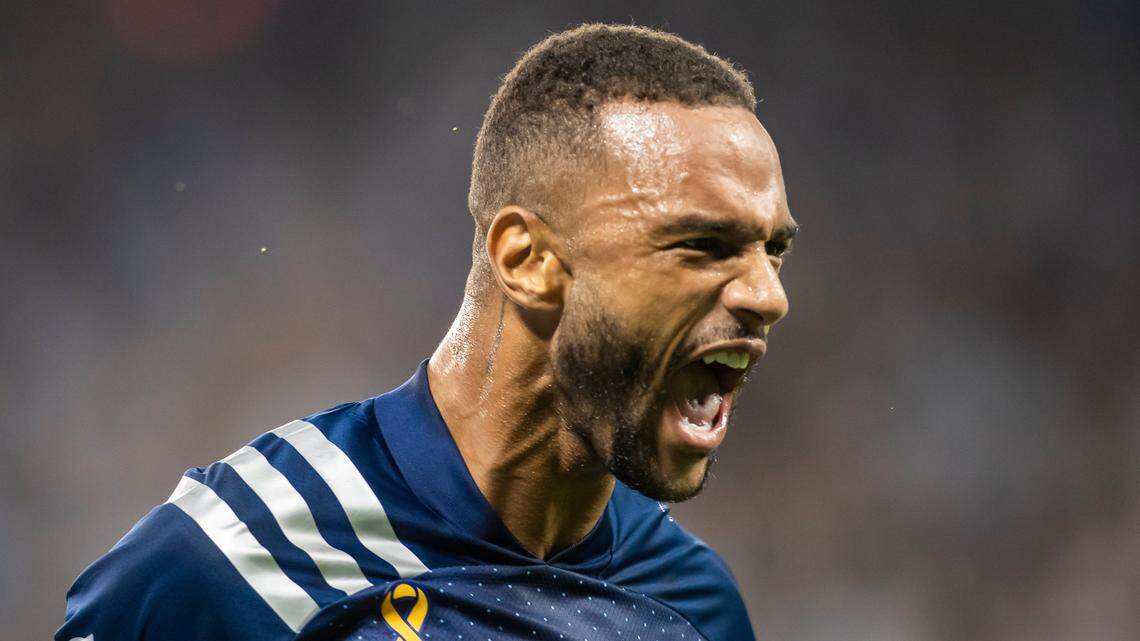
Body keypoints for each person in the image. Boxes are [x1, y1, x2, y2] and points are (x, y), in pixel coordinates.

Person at [57, 23, 797, 641]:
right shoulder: (231, 563)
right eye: (701, 245)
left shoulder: (693, 605)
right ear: (529, 260)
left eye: (773, 249)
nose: (769, 295)